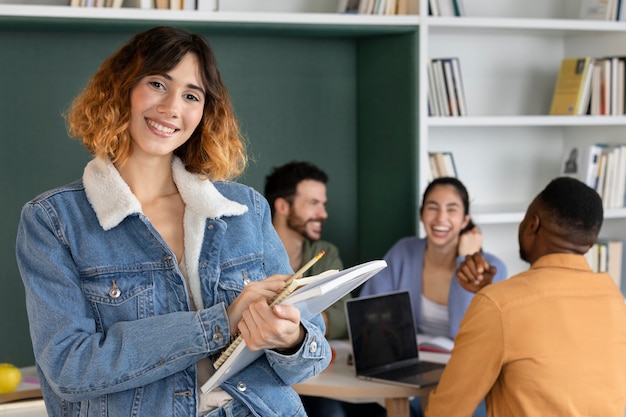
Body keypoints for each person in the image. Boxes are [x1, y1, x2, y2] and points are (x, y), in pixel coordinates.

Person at [15, 26, 331, 417]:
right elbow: (70, 366)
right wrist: (219, 323)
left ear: (204, 112)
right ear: (122, 88)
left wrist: (289, 338)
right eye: (158, 84)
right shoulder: (54, 221)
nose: (172, 109)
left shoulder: (245, 209)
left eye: (191, 95)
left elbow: (312, 357)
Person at [425, 177, 626, 416]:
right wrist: (489, 295)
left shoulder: (499, 306)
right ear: (590, 243)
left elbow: (447, 411)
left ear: (533, 224)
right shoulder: (614, 300)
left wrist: (491, 301)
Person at [358, 176, 507, 417]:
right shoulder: (403, 252)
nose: (440, 218)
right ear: (421, 215)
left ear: (465, 221)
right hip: (410, 372)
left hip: (466, 377)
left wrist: (465, 261)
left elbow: (464, 331)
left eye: (452, 209)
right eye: (432, 208)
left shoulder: (492, 268)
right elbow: (370, 316)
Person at [264, 161, 355, 417]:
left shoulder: (324, 255)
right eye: (314, 203)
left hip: (315, 371)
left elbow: (344, 317)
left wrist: (296, 322)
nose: (323, 213)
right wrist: (314, 317)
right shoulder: (250, 254)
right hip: (268, 377)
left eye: (323, 204)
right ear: (282, 206)